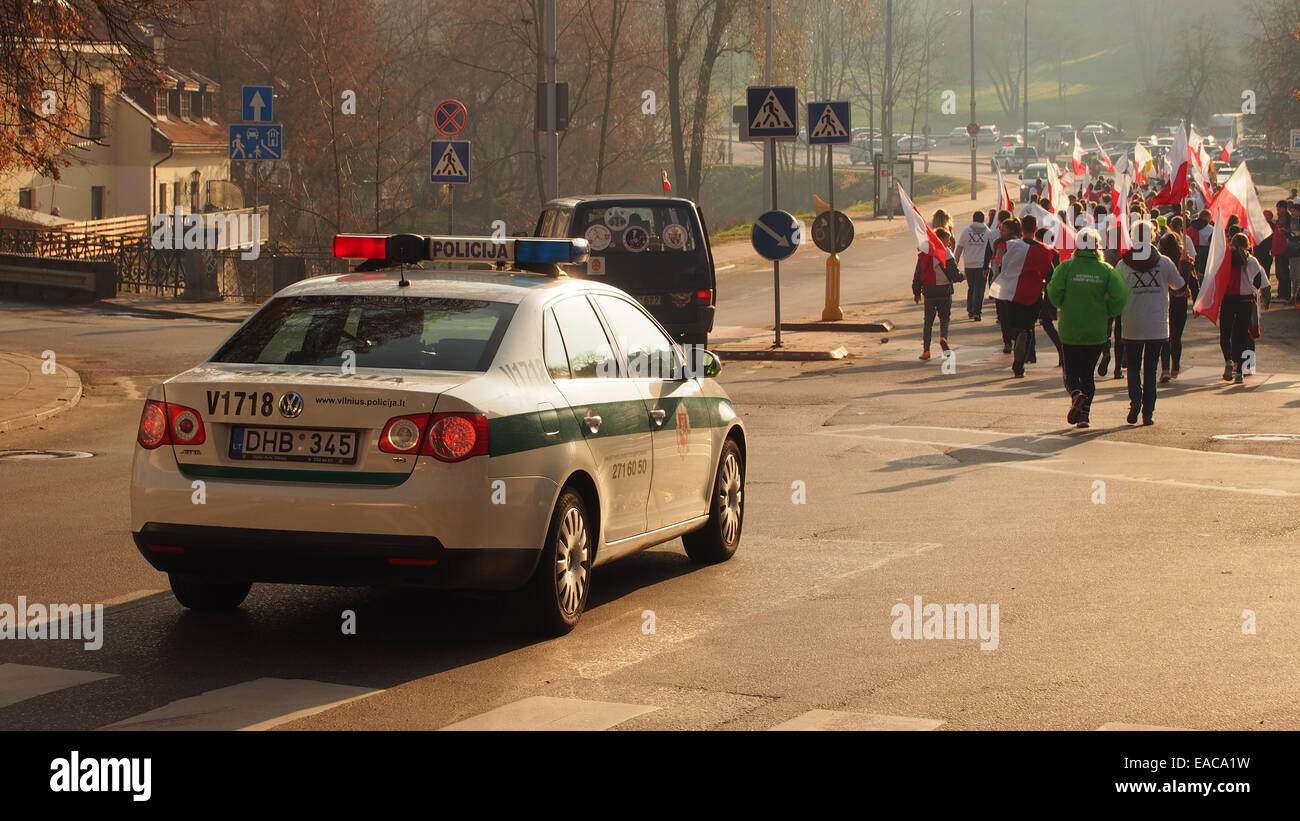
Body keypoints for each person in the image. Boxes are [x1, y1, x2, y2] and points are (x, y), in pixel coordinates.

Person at [1047, 228, 1128, 428]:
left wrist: (1062, 304)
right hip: (1096, 330)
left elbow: (1054, 291)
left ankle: (1076, 395)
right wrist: (1108, 311)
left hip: (1070, 329)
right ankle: (1084, 415)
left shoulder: (1066, 268)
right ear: (1096, 247)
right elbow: (1120, 296)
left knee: (1071, 374)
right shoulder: (1106, 270)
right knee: (1088, 375)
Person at [1116, 226, 1186, 425]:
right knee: (1150, 369)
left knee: (1133, 367)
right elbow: (1179, 287)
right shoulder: (1164, 262)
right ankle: (1148, 412)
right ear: (1153, 237)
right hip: (1157, 324)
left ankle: (1135, 401)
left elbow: (1115, 290)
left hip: (1132, 322)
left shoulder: (1123, 264)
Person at [993, 215, 1055, 378]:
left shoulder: (1012, 246)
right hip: (1033, 295)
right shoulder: (1045, 250)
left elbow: (1003, 269)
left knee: (1016, 327)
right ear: (1035, 229)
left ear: (1021, 229)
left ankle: (1018, 355)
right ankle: (1019, 364)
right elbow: (1051, 274)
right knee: (1028, 327)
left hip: (1014, 294)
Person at [1218, 232, 1266, 384]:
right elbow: (1258, 282)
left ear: (1232, 243)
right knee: (1241, 334)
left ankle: (1228, 361)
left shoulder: (1225, 258)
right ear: (1247, 245)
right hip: (1246, 300)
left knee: (1225, 333)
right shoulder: (1252, 260)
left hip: (1228, 299)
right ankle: (1240, 372)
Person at [912, 229, 962, 360]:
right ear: (941, 239)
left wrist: (916, 293)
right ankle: (943, 337)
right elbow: (955, 275)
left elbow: (917, 276)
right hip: (944, 291)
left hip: (928, 292)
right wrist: (964, 276)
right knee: (944, 318)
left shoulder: (925, 253)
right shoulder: (946, 253)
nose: (950, 242)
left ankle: (926, 351)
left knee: (928, 322)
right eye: (948, 239)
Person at [1159, 218, 1195, 382]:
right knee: (1176, 337)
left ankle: (1165, 368)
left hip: (1164, 300)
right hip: (1180, 301)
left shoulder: (1160, 261)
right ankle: (1175, 366)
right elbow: (1193, 281)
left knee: (1165, 336)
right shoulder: (1185, 260)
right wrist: (1197, 301)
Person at [989, 218, 1021, 353]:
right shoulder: (1021, 243)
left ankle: (1007, 341)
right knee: (1013, 313)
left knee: (1003, 315)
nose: (1000, 232)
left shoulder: (1001, 244)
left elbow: (997, 263)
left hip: (1002, 283)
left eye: (1003, 230)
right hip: (1015, 283)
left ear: (1011, 231)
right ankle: (1015, 338)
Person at [955, 211, 991, 321]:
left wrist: (955, 263)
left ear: (973, 219)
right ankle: (977, 312)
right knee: (979, 289)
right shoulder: (989, 232)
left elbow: (959, 248)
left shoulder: (966, 231)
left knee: (971, 287)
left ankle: (970, 310)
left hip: (969, 264)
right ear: (983, 219)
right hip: (982, 265)